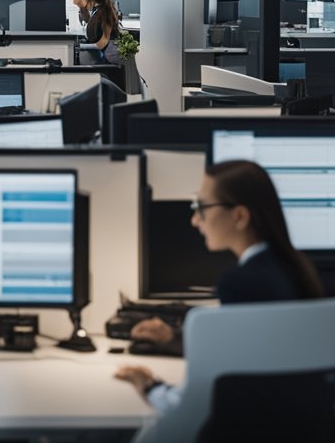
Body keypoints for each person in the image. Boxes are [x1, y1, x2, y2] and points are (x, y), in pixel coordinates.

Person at [115, 159, 323, 414]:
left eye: (202, 207)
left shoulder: (242, 284)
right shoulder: (293, 269)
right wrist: (173, 339)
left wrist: (149, 387)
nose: (194, 220)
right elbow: (250, 352)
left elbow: (194, 401)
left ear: (239, 216)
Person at [77, 0, 121, 64]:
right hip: (102, 56)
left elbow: (103, 42)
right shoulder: (97, 11)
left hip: (109, 59)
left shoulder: (106, 12)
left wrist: (82, 46)